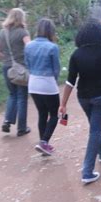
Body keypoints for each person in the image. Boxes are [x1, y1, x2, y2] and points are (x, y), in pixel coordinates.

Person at [59, 19, 101, 184]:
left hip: (83, 97)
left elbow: (70, 81)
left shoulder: (76, 54)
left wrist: (63, 103)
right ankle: (87, 172)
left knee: (95, 126)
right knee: (95, 129)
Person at [24, 19, 61, 156]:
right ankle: (44, 141)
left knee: (42, 114)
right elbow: (56, 68)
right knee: (54, 114)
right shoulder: (52, 47)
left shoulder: (29, 46)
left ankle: (43, 143)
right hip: (47, 82)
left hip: (33, 82)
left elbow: (27, 64)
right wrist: (54, 81)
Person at [0, 8, 31, 136]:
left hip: (7, 68)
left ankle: (7, 121)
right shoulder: (22, 32)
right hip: (21, 68)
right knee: (22, 97)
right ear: (21, 18)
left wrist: (7, 60)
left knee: (12, 94)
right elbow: (30, 47)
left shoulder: (2, 32)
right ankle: (22, 128)